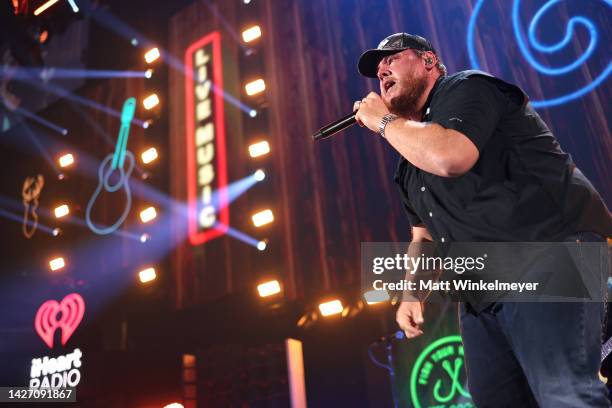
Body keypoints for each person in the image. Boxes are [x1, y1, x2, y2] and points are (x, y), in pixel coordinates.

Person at [354, 32, 612, 407]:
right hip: (481, 297)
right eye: (378, 70)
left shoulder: (468, 88)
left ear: (428, 61)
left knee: (566, 395)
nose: (382, 70)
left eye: (392, 58)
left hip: (548, 257)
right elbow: (425, 237)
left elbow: (451, 157)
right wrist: (412, 294)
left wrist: (383, 121)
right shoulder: (409, 160)